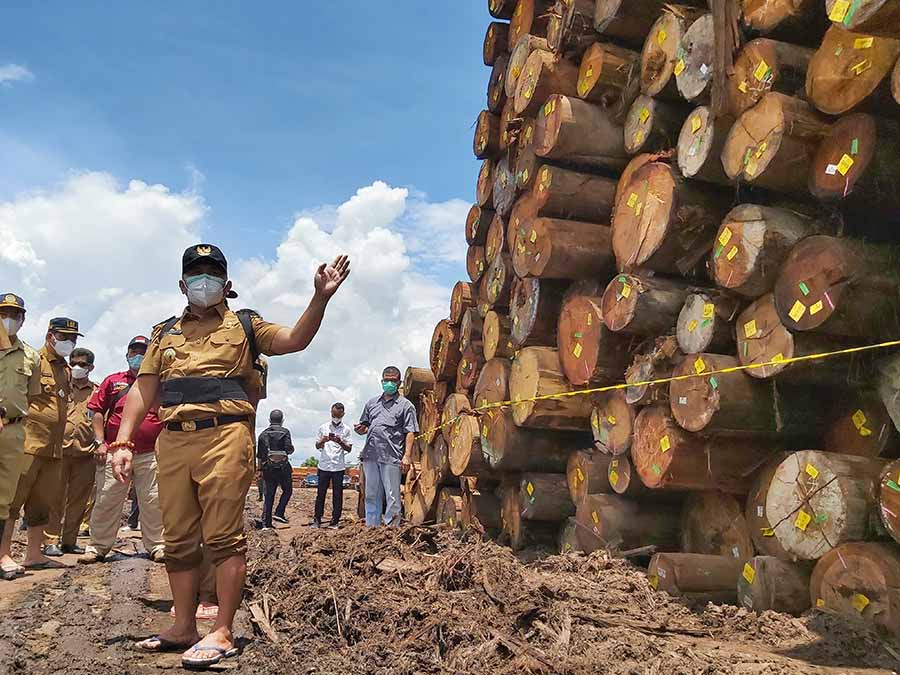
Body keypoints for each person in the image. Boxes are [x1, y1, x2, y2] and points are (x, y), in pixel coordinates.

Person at [108, 243, 349, 668]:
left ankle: (222, 630)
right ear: (182, 284)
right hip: (173, 440)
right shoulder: (163, 333)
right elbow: (144, 388)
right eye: (196, 274)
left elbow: (294, 340)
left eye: (213, 274)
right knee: (177, 539)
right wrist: (123, 441)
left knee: (222, 537)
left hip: (225, 437)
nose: (204, 281)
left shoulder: (246, 324)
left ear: (227, 283)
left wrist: (319, 298)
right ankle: (183, 627)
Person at [0, 317, 80, 572]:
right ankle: (3, 554)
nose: (68, 342)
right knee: (12, 502)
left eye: (73, 338)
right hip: (28, 443)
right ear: (50, 336)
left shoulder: (66, 370)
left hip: (53, 448)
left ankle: (34, 555)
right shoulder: (34, 360)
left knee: (42, 504)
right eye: (63, 337)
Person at [79, 336, 165, 564]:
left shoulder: (161, 383)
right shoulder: (113, 381)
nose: (138, 356)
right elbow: (96, 411)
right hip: (116, 452)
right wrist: (100, 442)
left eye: (143, 352)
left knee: (154, 500)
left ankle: (158, 545)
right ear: (127, 355)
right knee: (107, 498)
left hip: (151, 453)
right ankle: (97, 547)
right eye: (134, 352)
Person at [0, 293, 41, 580]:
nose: (9, 320)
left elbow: (31, 396)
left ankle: (2, 555)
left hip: (13, 430)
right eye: (3, 314)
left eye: (15, 315)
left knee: (4, 497)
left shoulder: (31, 356)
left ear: (23, 320)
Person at [43, 347, 99, 556]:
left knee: (79, 500)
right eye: (73, 363)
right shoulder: (62, 387)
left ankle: (69, 541)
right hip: (60, 451)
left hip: (86, 454)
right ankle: (51, 540)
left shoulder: (97, 391)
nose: (77, 367)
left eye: (82, 364)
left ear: (90, 367)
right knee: (54, 498)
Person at [354, 366, 418, 527]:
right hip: (370, 455)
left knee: (392, 496)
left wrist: (407, 455)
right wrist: (360, 429)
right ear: (381, 381)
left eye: (393, 380)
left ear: (399, 382)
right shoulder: (372, 403)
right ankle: (372, 527)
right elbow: (365, 425)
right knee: (371, 494)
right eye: (386, 380)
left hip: (391, 456)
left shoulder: (406, 405)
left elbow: (410, 432)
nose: (389, 383)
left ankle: (392, 529)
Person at [312, 403, 352, 529]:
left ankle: (335, 521)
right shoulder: (323, 427)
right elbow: (317, 446)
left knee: (337, 495)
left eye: (338, 415)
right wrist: (323, 440)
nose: (336, 417)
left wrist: (340, 441)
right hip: (324, 465)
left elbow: (349, 448)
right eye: (334, 414)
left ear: (343, 414)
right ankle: (317, 519)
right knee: (320, 494)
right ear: (331, 412)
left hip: (338, 466)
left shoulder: (346, 429)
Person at [257, 409, 294, 529]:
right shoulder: (285, 432)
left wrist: (259, 470)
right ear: (282, 420)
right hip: (284, 469)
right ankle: (279, 512)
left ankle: (266, 524)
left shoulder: (263, 434)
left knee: (269, 496)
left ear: (269, 420)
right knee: (288, 490)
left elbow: (260, 455)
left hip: (268, 469)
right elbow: (289, 449)